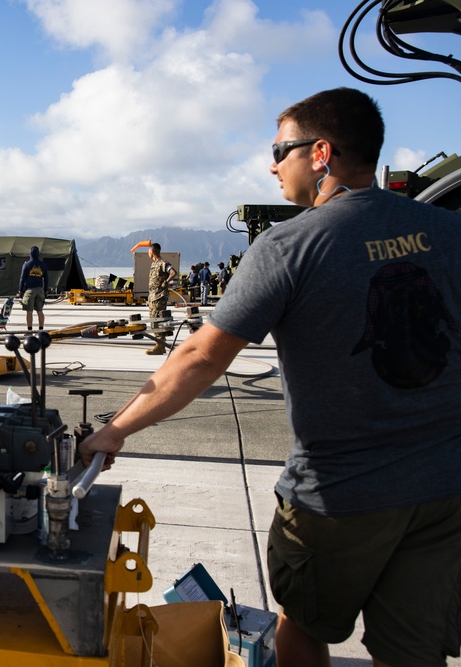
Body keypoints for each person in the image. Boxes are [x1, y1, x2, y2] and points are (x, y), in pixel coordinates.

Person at [78, 88, 461, 667]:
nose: (272, 164)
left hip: (339, 497)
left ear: (322, 153)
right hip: (444, 490)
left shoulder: (289, 245)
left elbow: (202, 358)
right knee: (411, 650)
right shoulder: (448, 231)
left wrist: (115, 430)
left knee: (304, 627)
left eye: (281, 149)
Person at [146, 243, 176, 355]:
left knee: (156, 320)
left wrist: (166, 282)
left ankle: (159, 345)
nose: (148, 253)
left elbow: (173, 272)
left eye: (148, 251)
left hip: (159, 297)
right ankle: (160, 345)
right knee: (154, 320)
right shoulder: (154, 264)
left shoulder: (163, 263)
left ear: (152, 251)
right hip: (153, 297)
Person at [18, 245, 48, 330]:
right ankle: (41, 329)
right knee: (40, 311)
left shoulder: (27, 265)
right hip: (40, 289)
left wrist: (20, 290)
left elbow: (22, 278)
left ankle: (29, 330)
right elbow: (46, 279)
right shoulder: (43, 265)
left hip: (30, 289)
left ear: (30, 254)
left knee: (29, 311)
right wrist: (45, 291)